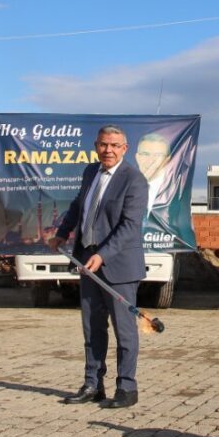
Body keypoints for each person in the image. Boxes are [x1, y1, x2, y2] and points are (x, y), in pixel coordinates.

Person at [49, 125, 148, 409]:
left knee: (124, 330)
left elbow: (130, 226)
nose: (109, 150)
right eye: (104, 145)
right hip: (87, 261)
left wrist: (103, 254)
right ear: (96, 146)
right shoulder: (90, 172)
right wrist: (62, 233)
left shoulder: (135, 180)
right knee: (92, 327)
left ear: (124, 149)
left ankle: (127, 388)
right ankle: (93, 384)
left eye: (115, 145)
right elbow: (79, 207)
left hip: (119, 266)